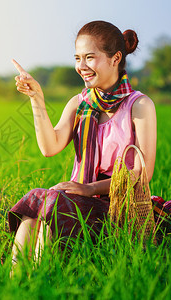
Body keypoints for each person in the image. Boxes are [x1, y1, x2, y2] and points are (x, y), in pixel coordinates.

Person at [9, 20, 157, 269]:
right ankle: (16, 281)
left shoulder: (139, 105)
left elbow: (142, 175)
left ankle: (39, 278)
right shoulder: (80, 103)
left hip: (117, 205)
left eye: (90, 57)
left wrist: (89, 189)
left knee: (53, 205)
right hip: (79, 199)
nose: (81, 66)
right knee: (37, 202)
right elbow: (50, 147)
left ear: (115, 58)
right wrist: (37, 99)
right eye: (77, 58)